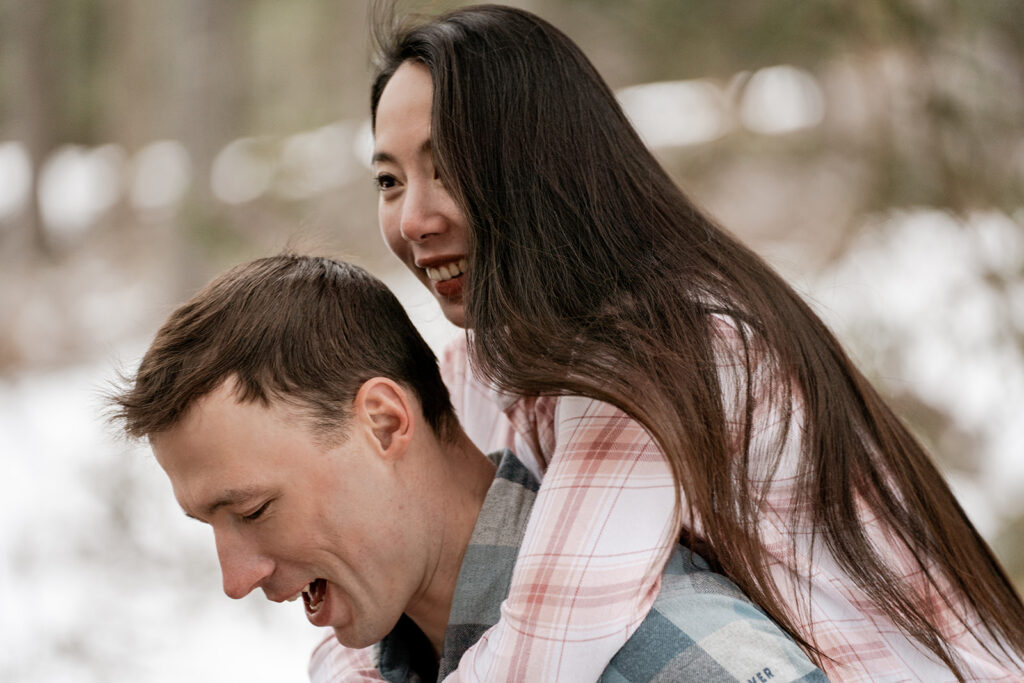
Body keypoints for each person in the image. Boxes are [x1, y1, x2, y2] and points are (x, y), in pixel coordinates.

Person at [346, 4, 1024, 681]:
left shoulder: (661, 351)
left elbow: (541, 654)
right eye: (389, 181)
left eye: (449, 169)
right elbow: (361, 580)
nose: (413, 219)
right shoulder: (482, 367)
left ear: (540, 165)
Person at [109, 254, 826, 683]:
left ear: (385, 421)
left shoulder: (671, 658)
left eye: (256, 509)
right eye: (211, 523)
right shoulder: (391, 659)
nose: (236, 578)